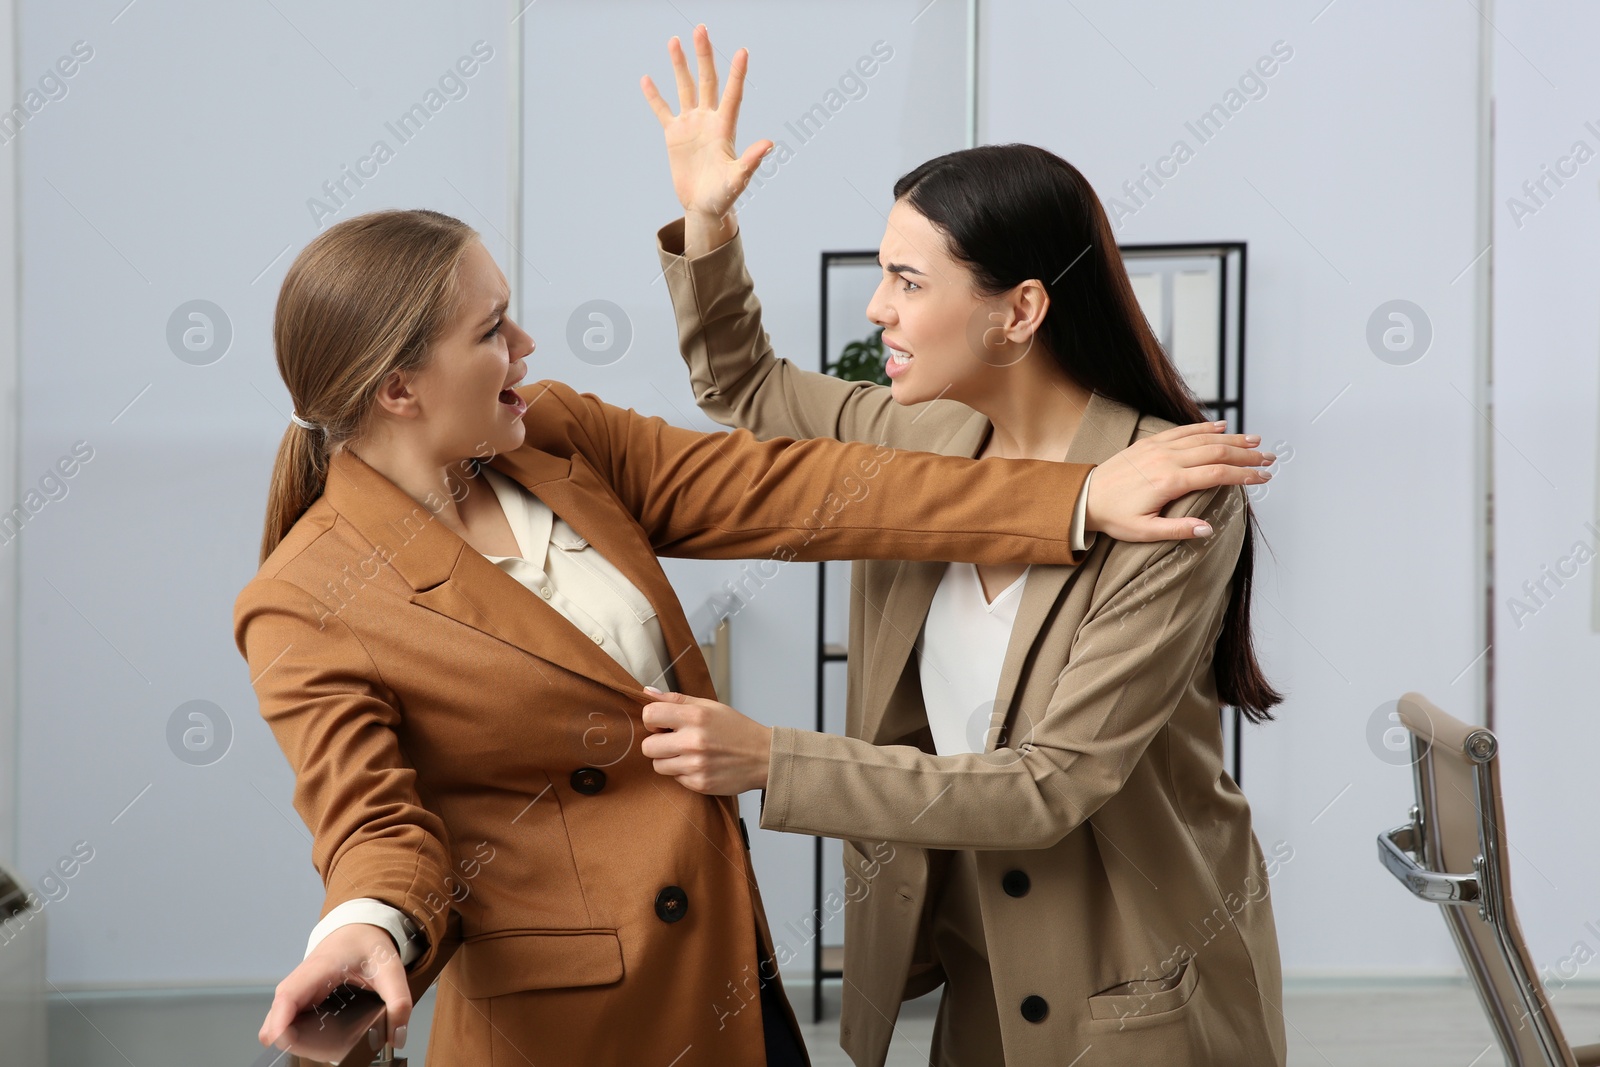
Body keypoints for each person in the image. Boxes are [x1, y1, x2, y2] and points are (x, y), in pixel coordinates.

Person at [234, 205, 1268, 1063]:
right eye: (491, 330)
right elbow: (373, 821)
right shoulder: (305, 598)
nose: (524, 347)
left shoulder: (552, 434)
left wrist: (1076, 494)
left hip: (726, 961)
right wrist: (366, 922)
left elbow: (796, 487)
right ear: (398, 388)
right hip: (572, 1021)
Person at [636, 26, 1288, 1067]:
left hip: (1137, 990)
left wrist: (767, 757)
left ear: (1019, 310)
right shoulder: (927, 438)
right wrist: (708, 224)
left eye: (907, 279)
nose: (875, 307)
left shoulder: (1173, 492)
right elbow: (748, 389)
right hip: (979, 982)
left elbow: (1046, 785)